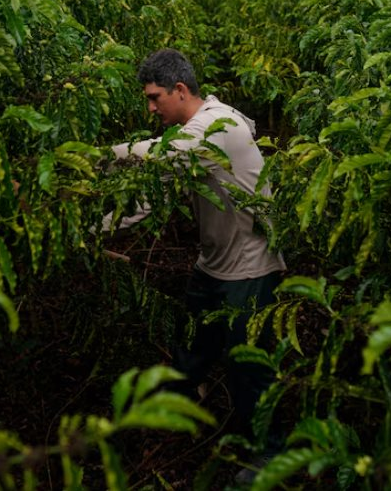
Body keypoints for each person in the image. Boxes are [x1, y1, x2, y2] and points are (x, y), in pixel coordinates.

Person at [103, 48, 285, 478]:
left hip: (250, 268)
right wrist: (90, 227)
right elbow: (152, 195)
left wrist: (106, 152)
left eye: (154, 97)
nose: (150, 108)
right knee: (196, 338)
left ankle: (268, 453)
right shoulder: (193, 134)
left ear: (180, 90)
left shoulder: (216, 126)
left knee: (247, 366)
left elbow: (164, 156)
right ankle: (182, 399)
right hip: (215, 261)